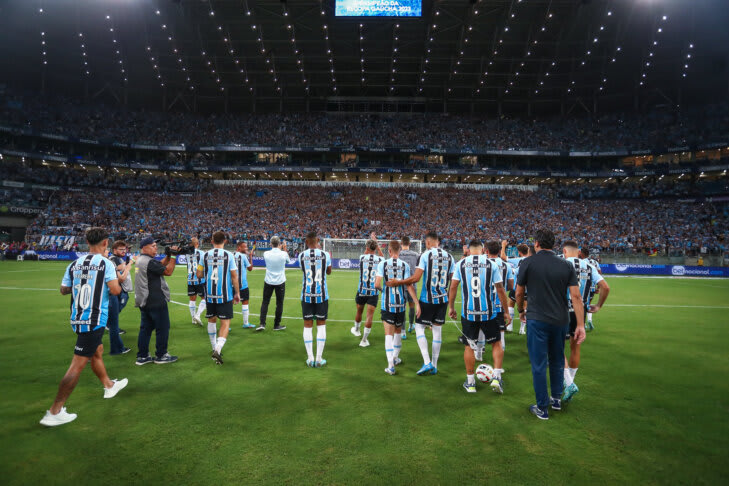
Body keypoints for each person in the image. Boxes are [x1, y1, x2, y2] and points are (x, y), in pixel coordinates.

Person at [40, 227, 128, 427]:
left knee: (97, 351)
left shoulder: (74, 264)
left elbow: (63, 290)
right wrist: (115, 281)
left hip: (77, 317)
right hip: (94, 319)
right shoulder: (106, 263)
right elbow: (115, 290)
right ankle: (54, 411)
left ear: (87, 242)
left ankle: (109, 385)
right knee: (77, 364)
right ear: (105, 243)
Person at [515, 229, 585, 420]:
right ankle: (556, 400)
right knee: (556, 360)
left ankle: (542, 408)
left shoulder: (527, 262)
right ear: (553, 245)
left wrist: (520, 310)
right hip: (561, 320)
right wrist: (580, 324)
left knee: (539, 364)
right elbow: (576, 296)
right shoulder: (566, 265)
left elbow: (519, 293)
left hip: (537, 319)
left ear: (536, 243)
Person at [448, 239, 511, 394]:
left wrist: (451, 307)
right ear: (483, 250)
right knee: (496, 343)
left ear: (469, 250)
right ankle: (496, 378)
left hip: (468, 312)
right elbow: (501, 289)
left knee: (469, 345)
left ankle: (470, 383)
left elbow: (453, 286)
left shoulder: (461, 264)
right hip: (488, 312)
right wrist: (506, 311)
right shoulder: (491, 264)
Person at [387, 231, 453, 376]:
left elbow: (416, 278)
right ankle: (434, 366)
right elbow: (453, 281)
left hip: (427, 299)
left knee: (419, 327)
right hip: (443, 300)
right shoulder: (450, 256)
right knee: (437, 331)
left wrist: (398, 282)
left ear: (428, 242)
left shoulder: (425, 255)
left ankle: (427, 361)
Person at [562, 241, 610, 401]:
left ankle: (569, 384)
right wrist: (598, 306)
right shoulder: (589, 266)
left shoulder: (561, 263)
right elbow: (605, 287)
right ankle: (571, 382)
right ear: (579, 252)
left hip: (561, 311)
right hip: (580, 312)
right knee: (575, 348)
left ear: (564, 251)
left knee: (557, 348)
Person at [375, 240, 419, 376]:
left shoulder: (382, 264)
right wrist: (417, 303)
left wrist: (384, 291)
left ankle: (390, 366)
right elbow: (409, 285)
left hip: (387, 304)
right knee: (398, 332)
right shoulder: (404, 265)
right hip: (401, 304)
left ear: (389, 251)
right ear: (399, 251)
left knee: (388, 334)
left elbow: (377, 284)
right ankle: (395, 358)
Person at [134, 236, 179, 365]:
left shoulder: (142, 260)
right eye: (153, 246)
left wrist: (169, 256)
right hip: (155, 300)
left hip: (144, 300)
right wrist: (174, 256)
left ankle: (142, 356)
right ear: (144, 247)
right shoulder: (149, 261)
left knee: (145, 329)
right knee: (163, 328)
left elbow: (160, 265)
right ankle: (161, 355)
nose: (156, 248)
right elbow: (168, 271)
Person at [197, 231, 240, 364]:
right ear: (225, 241)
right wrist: (237, 293)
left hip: (209, 295)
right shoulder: (229, 255)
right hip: (225, 295)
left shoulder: (204, 255)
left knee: (211, 320)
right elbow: (234, 276)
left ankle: (213, 348)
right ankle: (218, 348)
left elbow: (199, 274)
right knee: (225, 323)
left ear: (212, 240)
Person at [298, 231, 332, 367]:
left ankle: (310, 358)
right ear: (318, 240)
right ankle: (319, 359)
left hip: (306, 295)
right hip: (321, 295)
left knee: (307, 325)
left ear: (306, 242)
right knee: (321, 325)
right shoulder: (325, 255)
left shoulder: (301, 256)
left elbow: (304, 271)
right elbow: (329, 272)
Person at [351, 239, 384, 347]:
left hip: (362, 291)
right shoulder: (380, 259)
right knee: (369, 316)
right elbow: (382, 256)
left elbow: (365, 254)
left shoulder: (362, 257)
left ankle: (356, 330)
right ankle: (364, 340)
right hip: (373, 292)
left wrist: (369, 246)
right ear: (375, 248)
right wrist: (377, 246)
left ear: (367, 248)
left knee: (359, 311)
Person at [486, 241, 514, 353]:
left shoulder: (484, 263)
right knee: (501, 331)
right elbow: (511, 286)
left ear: (486, 251)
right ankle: (500, 362)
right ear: (499, 251)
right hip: (499, 304)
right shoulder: (507, 265)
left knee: (481, 330)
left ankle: (479, 353)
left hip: (485, 303)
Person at [107, 240, 133, 355]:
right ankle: (116, 348)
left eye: (124, 249)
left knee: (114, 317)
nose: (124, 251)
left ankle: (108, 324)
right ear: (114, 250)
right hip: (118, 291)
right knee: (113, 319)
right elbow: (121, 277)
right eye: (121, 249)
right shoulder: (113, 260)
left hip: (119, 291)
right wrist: (130, 265)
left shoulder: (115, 259)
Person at [257, 236, 288, 331]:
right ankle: (276, 325)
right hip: (280, 281)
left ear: (270, 244)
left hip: (268, 281)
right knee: (279, 303)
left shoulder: (266, 253)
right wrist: (284, 248)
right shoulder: (283, 254)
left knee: (265, 302)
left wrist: (281, 248)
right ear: (280, 244)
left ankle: (262, 323)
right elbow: (288, 261)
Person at [502, 240, 529, 334]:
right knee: (525, 307)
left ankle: (510, 327)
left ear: (519, 252)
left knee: (511, 304)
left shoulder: (518, 260)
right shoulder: (531, 259)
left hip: (517, 286)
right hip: (528, 288)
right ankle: (522, 329)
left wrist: (503, 246)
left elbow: (503, 257)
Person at [398, 236, 420, 337]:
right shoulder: (416, 255)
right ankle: (411, 325)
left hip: (401, 285)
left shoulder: (397, 255)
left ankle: (403, 332)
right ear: (409, 244)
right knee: (412, 306)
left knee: (402, 308)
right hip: (412, 284)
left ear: (401, 244)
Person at [579, 246, 602, 331]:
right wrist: (598, 287)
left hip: (584, 287)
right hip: (592, 288)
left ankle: (583, 323)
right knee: (588, 304)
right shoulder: (595, 262)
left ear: (582, 253)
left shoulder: (581, 262)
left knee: (581, 304)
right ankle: (589, 320)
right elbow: (599, 274)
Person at [186, 237, 207, 326]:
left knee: (192, 299)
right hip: (200, 279)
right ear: (197, 244)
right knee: (204, 298)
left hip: (190, 279)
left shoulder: (186, 253)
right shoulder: (202, 253)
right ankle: (197, 315)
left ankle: (193, 319)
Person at [234, 241, 254, 329]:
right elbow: (250, 268)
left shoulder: (231, 255)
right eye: (244, 247)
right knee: (245, 302)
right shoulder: (243, 256)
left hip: (231, 284)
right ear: (239, 247)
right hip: (242, 284)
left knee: (229, 303)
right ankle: (246, 323)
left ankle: (226, 324)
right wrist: (250, 256)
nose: (246, 248)